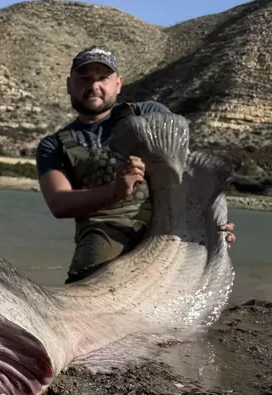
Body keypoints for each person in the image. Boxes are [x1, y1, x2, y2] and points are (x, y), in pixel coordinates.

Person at [35, 45, 236, 284]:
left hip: (168, 223)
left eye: (103, 78)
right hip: (105, 231)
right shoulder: (53, 145)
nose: (94, 86)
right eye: (84, 78)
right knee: (83, 287)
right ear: (69, 84)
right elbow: (59, 203)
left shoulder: (149, 113)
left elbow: (183, 169)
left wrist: (209, 220)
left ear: (118, 84)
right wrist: (115, 191)